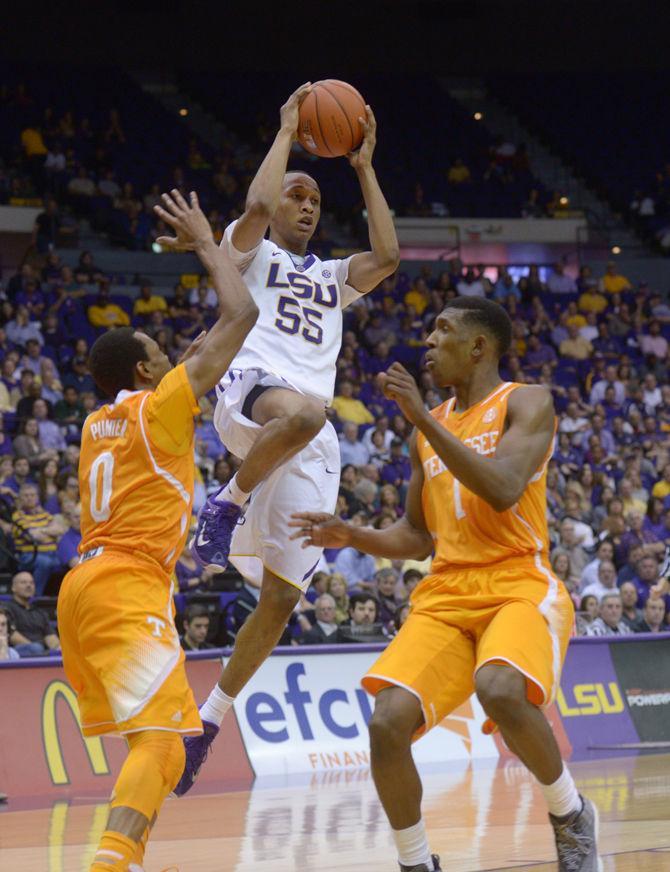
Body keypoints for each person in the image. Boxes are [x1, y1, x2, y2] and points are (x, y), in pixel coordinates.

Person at [291, 296, 599, 872]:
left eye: (442, 330)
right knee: (386, 723)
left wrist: (424, 419)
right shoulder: (423, 433)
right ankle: (415, 863)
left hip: (517, 583)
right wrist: (351, 533)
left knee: (502, 689)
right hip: (446, 593)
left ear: (478, 346)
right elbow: (416, 533)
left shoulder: (527, 401)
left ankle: (570, 813)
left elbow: (505, 487)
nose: (428, 341)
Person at [177, 83, 399, 793]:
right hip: (253, 394)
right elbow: (256, 207)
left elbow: (389, 255)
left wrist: (362, 166)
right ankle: (225, 503)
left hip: (306, 438)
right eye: (299, 196)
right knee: (305, 412)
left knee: (279, 600)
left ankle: (209, 721)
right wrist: (283, 134)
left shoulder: (334, 277)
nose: (305, 205)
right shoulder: (251, 252)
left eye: (314, 201)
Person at [55, 189, 258, 872]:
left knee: (155, 745)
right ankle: (109, 866)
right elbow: (243, 314)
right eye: (161, 353)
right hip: (127, 586)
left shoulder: (97, 424)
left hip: (82, 587)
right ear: (146, 372)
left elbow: (183, 368)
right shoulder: (158, 408)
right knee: (165, 745)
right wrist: (208, 243)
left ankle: (124, 859)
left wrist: (187, 362)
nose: (174, 358)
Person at [5, 571, 60, 657]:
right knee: (35, 648)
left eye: (32, 583)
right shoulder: (6, 608)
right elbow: (11, 635)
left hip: (42, 651)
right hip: (18, 652)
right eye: (23, 582)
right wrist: (39, 652)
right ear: (13, 587)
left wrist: (57, 648)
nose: (28, 585)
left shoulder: (40, 612)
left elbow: (50, 635)